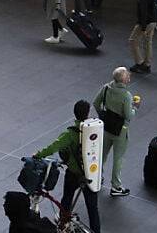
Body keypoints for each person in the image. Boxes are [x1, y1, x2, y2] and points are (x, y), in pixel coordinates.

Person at [33, 100, 100, 233]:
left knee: (67, 199)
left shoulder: (70, 134)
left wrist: (39, 154)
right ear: (87, 113)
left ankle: (63, 225)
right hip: (91, 175)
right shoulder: (95, 130)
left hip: (74, 173)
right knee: (92, 208)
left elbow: (54, 146)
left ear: (74, 114)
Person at [92, 67, 139, 197]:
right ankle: (116, 186)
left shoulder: (106, 88)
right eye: (128, 76)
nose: (129, 77)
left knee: (102, 154)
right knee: (118, 158)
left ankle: (97, 178)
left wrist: (102, 116)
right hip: (120, 130)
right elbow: (129, 115)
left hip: (106, 126)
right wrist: (135, 108)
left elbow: (96, 103)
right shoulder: (126, 96)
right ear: (124, 80)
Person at [130, 0, 157, 73]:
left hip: (145, 23)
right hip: (153, 22)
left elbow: (143, 13)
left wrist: (143, 27)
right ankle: (147, 64)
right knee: (148, 42)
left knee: (133, 40)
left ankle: (139, 63)